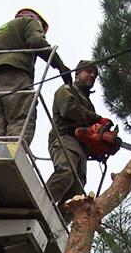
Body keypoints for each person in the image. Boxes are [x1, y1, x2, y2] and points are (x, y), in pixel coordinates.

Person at [0, 8, 71, 146]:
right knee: (21, 117)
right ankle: (14, 150)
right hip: (16, 74)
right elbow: (36, 41)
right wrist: (60, 66)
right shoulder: (30, 22)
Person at [45, 60, 106, 207]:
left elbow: (89, 132)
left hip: (81, 148)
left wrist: (100, 145)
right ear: (78, 73)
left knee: (77, 189)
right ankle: (40, 205)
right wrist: (97, 120)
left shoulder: (89, 104)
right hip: (65, 138)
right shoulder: (67, 89)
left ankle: (56, 225)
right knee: (66, 173)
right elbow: (69, 109)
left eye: (95, 74)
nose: (92, 75)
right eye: (89, 71)